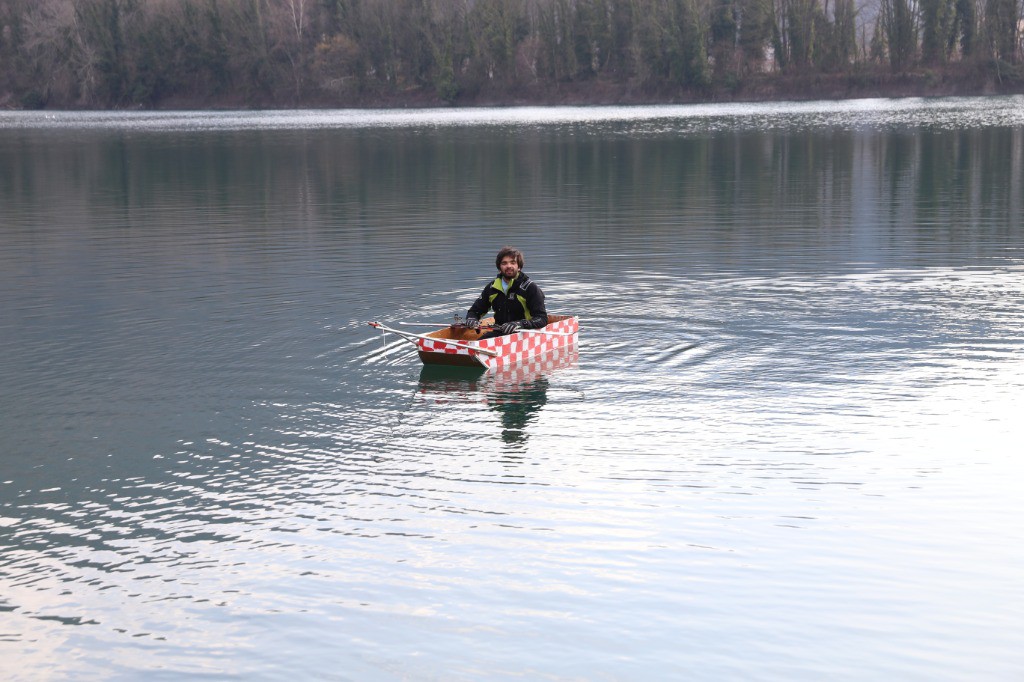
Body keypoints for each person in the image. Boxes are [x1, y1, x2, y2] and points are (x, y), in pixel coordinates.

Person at [465, 246, 548, 339]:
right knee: (476, 345)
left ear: (519, 267)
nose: (509, 266)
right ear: (499, 268)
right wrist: (471, 318)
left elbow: (542, 319)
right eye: (504, 263)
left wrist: (520, 324)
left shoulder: (530, 288)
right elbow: (475, 311)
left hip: (525, 335)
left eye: (513, 262)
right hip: (499, 333)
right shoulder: (492, 288)